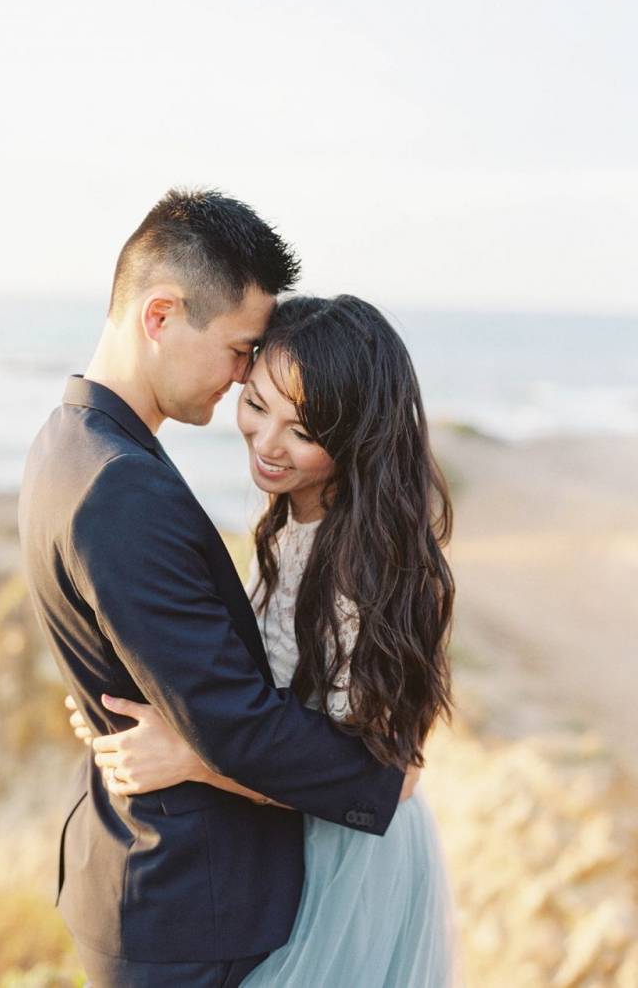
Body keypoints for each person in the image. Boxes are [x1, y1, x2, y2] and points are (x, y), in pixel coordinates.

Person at [18, 190, 416, 988]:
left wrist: (114, 694)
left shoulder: (70, 440)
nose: (242, 379)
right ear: (161, 316)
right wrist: (385, 780)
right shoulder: (121, 488)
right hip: (184, 903)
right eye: (240, 351)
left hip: (159, 884)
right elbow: (234, 722)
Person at [69, 294, 458, 986]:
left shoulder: (374, 566)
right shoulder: (289, 516)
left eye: (302, 428)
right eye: (256, 405)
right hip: (285, 838)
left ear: (357, 434)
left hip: (352, 857)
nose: (267, 441)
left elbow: (388, 775)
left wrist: (191, 758)